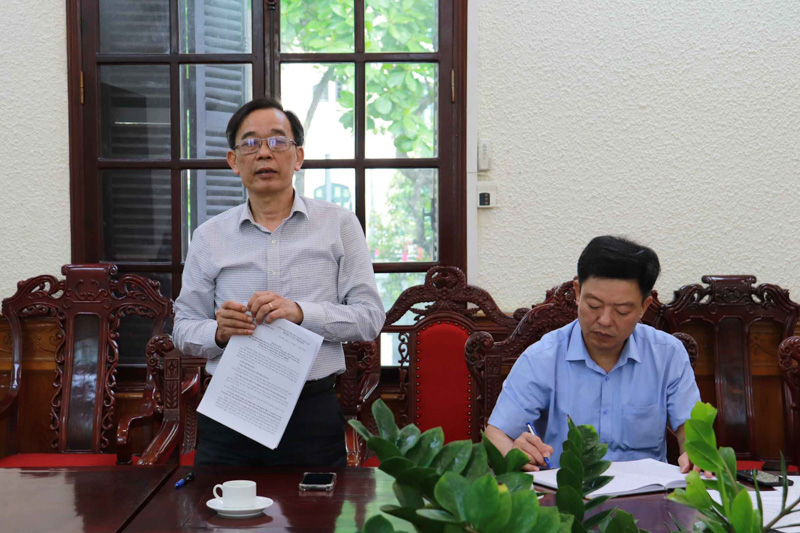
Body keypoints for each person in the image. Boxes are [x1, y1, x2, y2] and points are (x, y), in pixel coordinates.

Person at [173, 97, 386, 467]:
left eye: (277, 141)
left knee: (315, 505)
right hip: (232, 409)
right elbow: (183, 327)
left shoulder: (339, 225)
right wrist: (219, 333)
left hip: (312, 413)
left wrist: (301, 313)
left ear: (298, 157)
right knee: (218, 505)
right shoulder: (209, 236)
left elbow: (370, 317)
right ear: (233, 161)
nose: (264, 153)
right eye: (250, 143)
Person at [485, 236, 702, 473]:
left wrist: (696, 452)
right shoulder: (542, 358)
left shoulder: (668, 355)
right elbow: (496, 434)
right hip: (565, 492)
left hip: (650, 493)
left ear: (643, 307)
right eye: (594, 305)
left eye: (622, 311)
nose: (605, 320)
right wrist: (515, 452)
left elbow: (693, 434)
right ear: (577, 292)